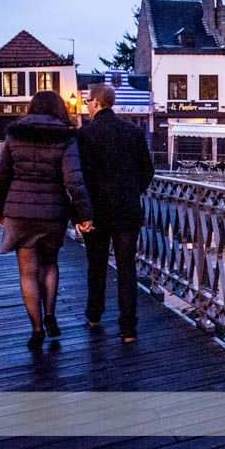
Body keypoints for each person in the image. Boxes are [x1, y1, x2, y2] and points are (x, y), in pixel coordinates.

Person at [0, 91, 93, 350]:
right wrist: (84, 215)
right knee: (49, 264)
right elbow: (74, 180)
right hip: (53, 212)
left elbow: (1, 176)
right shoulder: (65, 136)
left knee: (27, 272)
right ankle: (50, 316)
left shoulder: (15, 133)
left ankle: (36, 329)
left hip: (19, 212)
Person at [77, 84, 154, 342]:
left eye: (88, 101)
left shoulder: (85, 135)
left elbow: (80, 177)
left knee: (96, 266)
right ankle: (128, 328)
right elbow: (147, 171)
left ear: (97, 103)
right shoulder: (133, 132)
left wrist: (80, 212)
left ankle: (94, 314)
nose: (86, 106)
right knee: (126, 269)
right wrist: (133, 191)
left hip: (96, 212)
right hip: (127, 211)